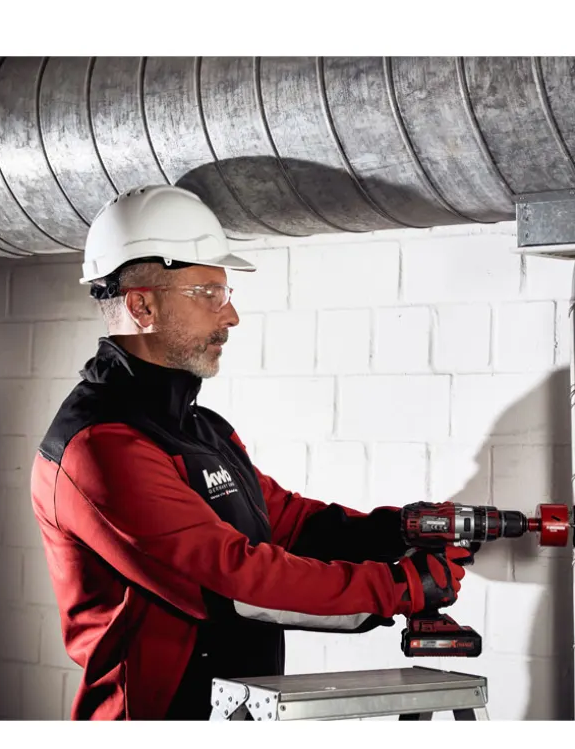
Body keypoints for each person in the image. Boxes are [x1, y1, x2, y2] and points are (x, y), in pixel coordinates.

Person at [30, 184, 470, 719]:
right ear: (142, 305)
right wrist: (401, 587)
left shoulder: (201, 429)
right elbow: (234, 585)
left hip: (240, 713)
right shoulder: (99, 447)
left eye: (226, 293)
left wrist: (398, 531)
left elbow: (286, 524)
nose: (231, 315)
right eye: (208, 294)